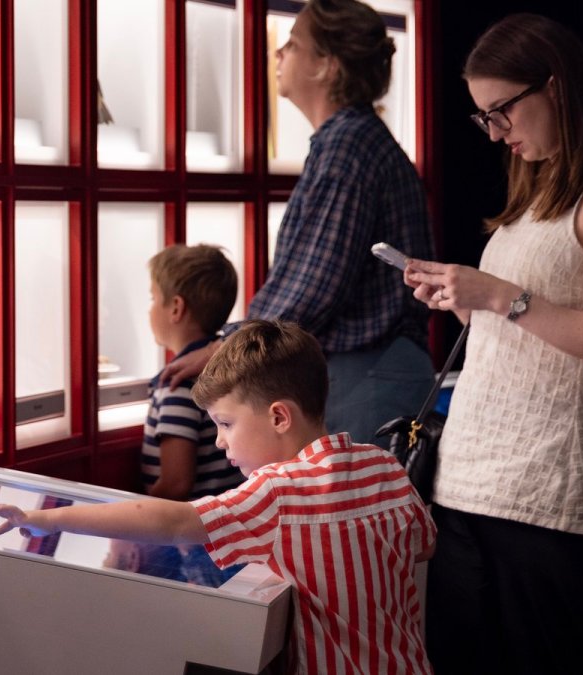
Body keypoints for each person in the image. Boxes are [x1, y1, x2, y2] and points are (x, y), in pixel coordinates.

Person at [402, 13, 583, 674]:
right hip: (467, 478)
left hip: (548, 492)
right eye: (483, 118)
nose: (496, 132)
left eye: (502, 111)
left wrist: (497, 296)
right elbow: (525, 339)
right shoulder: (538, 187)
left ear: (557, 87)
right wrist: (465, 303)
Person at [0, 320, 436, 674]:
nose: (219, 442)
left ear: (279, 417)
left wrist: (50, 520)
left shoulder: (276, 494)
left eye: (226, 423)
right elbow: (422, 546)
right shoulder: (384, 466)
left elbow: (172, 521)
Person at [162, 0, 436, 444]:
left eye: (291, 44)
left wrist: (226, 347)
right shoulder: (351, 140)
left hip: (365, 376)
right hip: (369, 373)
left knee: (343, 511)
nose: (278, 54)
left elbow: (314, 285)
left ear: (326, 65)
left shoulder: (348, 145)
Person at [141, 244, 245, 500]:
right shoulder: (233, 369)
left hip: (185, 532)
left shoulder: (177, 383)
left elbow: (176, 484)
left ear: (176, 308)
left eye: (153, 298)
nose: (150, 308)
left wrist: (138, 523)